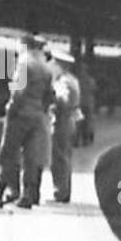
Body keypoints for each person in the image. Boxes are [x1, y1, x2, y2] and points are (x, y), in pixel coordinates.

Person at [0, 37, 54, 209]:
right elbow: (49, 95)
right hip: (37, 116)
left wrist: (11, 108)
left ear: (25, 45)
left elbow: (18, 90)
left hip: (19, 115)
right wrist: (40, 109)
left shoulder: (24, 63)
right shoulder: (46, 67)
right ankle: (28, 196)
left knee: (7, 153)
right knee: (31, 157)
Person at [49, 48, 82, 203]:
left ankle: (60, 192)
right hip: (70, 120)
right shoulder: (72, 79)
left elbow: (63, 100)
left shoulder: (63, 81)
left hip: (62, 120)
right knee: (65, 156)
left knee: (59, 157)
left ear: (59, 65)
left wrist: (53, 104)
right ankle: (64, 190)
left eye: (54, 63)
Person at [77, 62, 96, 147]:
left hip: (81, 102)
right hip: (87, 102)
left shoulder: (78, 80)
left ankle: (79, 140)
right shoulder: (90, 80)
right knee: (86, 121)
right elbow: (94, 89)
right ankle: (86, 139)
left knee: (81, 121)